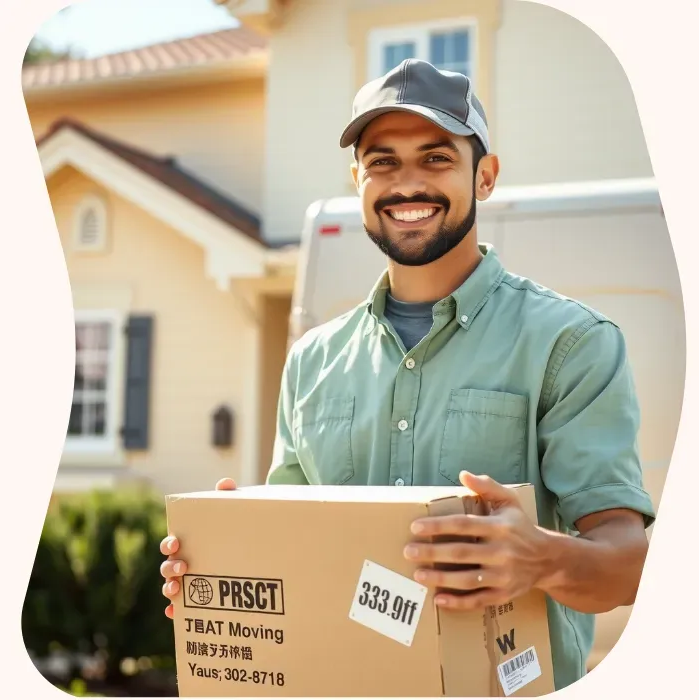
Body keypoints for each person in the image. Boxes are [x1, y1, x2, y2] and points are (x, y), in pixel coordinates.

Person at [160, 59, 655, 691]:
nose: (407, 184)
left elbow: (630, 566)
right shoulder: (313, 359)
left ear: (486, 176)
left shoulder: (571, 343)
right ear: (357, 180)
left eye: (436, 158)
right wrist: (223, 568)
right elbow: (294, 559)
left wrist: (540, 558)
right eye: (383, 161)